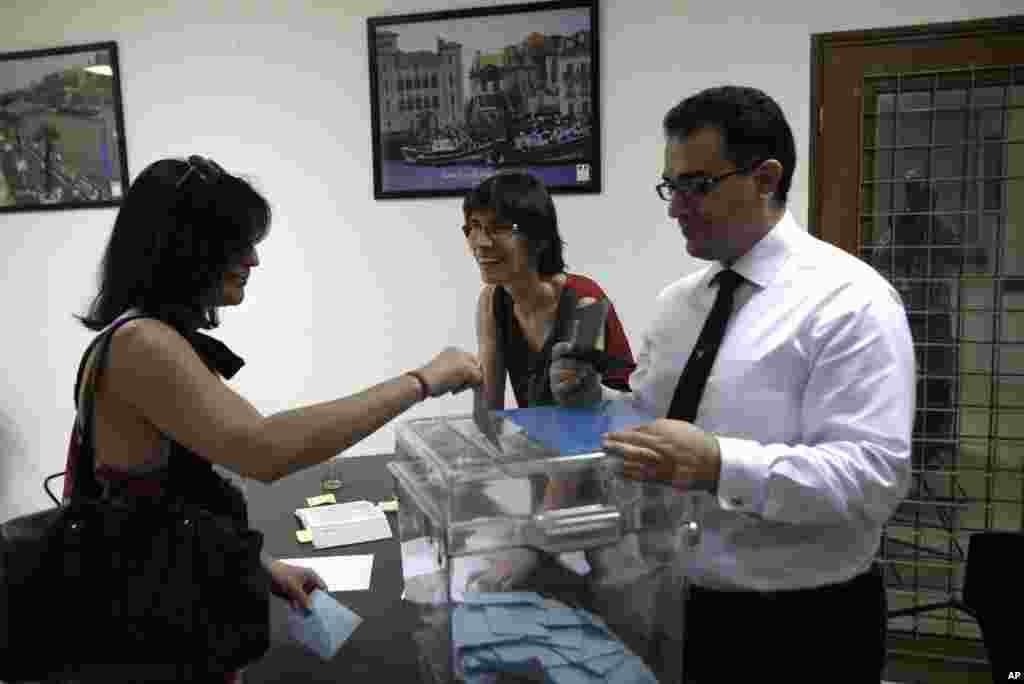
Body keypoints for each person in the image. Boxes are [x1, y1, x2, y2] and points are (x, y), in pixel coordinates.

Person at [63, 155, 482, 682]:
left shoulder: (143, 336)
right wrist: (421, 382)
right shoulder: (142, 343)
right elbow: (263, 449)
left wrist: (258, 568)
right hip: (155, 641)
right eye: (237, 243)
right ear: (185, 249)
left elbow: (161, 502)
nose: (254, 259)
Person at [550, 86, 916, 681]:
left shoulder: (852, 303)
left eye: (697, 185)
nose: (675, 208)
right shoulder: (679, 305)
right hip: (670, 602)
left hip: (800, 626)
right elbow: (651, 421)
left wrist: (720, 464)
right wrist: (595, 402)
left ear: (766, 178)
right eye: (672, 186)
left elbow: (872, 477)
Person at [466, 171, 634, 412]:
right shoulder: (490, 301)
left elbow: (583, 409)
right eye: (475, 227)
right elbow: (489, 412)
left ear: (539, 238)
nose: (481, 242)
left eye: (499, 228)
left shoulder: (588, 303)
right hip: (542, 442)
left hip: (604, 438)